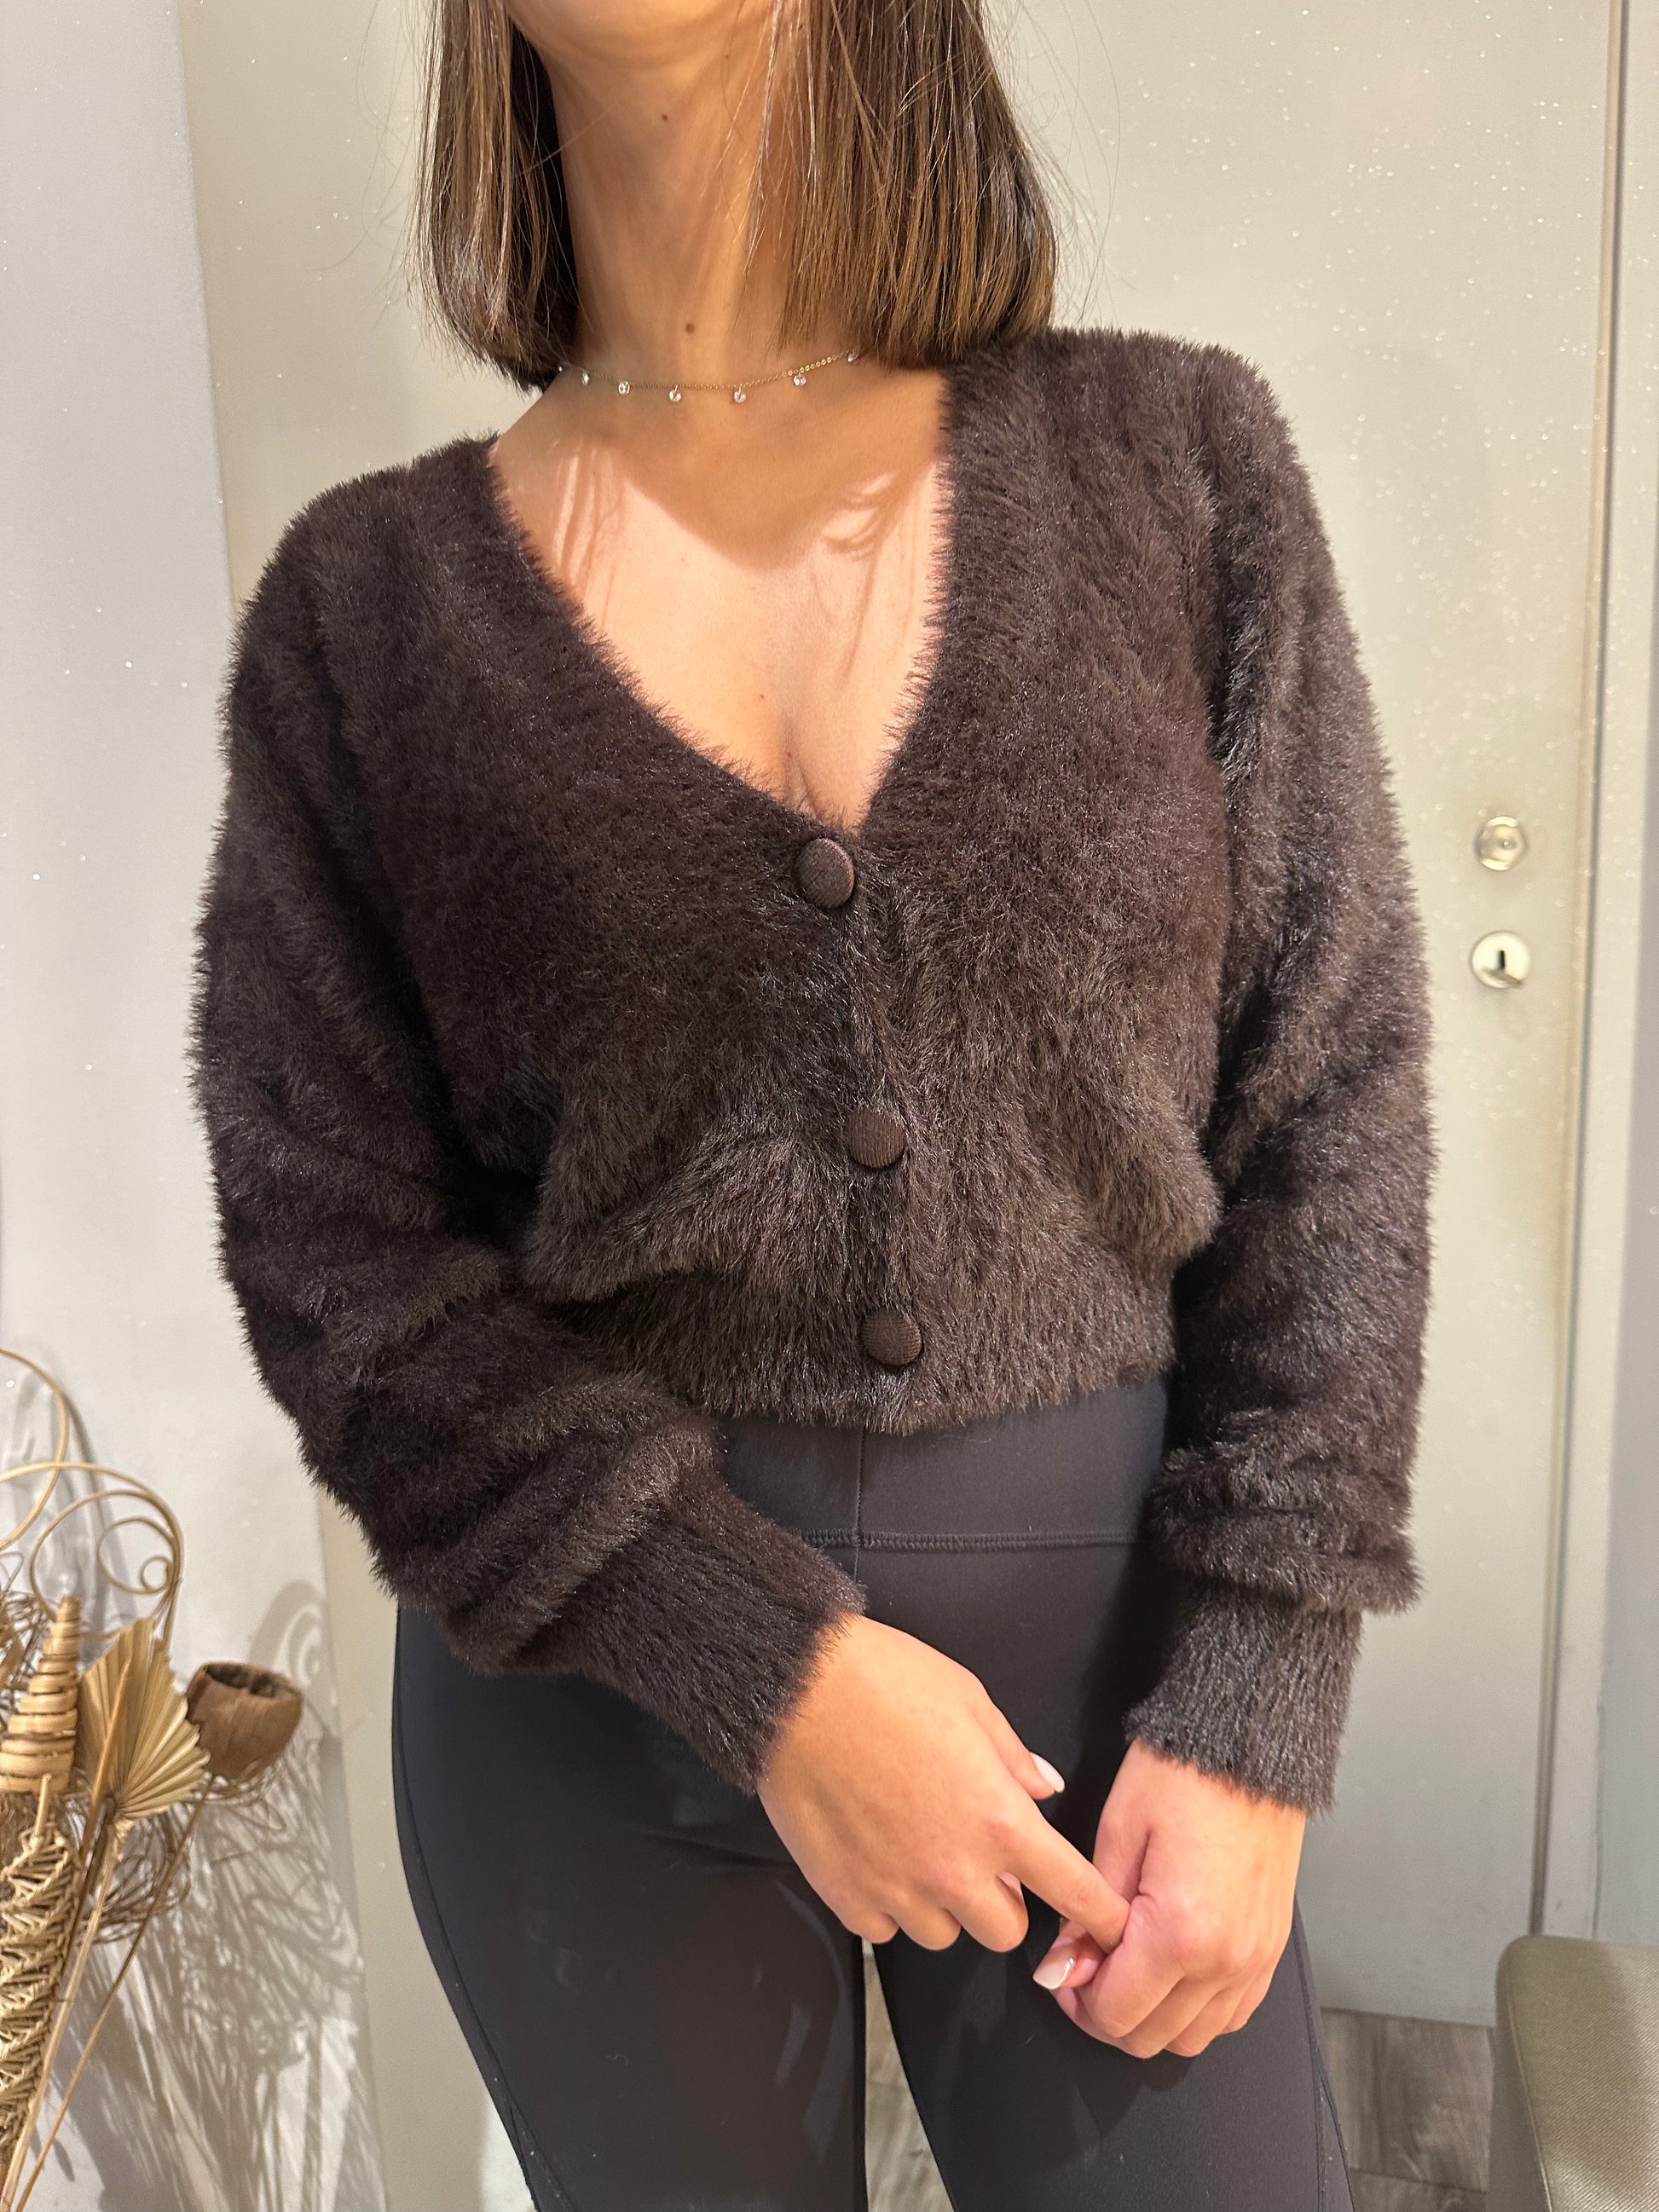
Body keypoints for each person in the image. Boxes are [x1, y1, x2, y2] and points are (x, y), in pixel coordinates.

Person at [187, 2, 1435, 2205]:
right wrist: (758, 1661)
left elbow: (1326, 1100)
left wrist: (1258, 1686)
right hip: (589, 1716)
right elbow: (338, 1252)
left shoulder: (1176, 472)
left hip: (1112, 1681)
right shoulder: (367, 616)